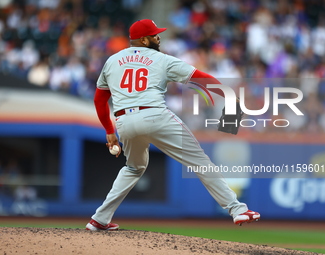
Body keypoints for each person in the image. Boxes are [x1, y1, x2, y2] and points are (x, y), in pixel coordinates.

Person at [86, 19, 260, 231]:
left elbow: (99, 100)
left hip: (124, 122)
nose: (158, 37)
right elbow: (200, 78)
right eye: (155, 34)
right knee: (200, 161)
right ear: (143, 39)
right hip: (155, 116)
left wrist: (109, 132)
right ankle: (237, 209)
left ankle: (99, 219)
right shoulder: (162, 59)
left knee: (133, 167)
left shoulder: (112, 61)